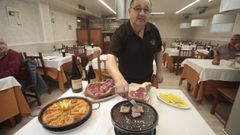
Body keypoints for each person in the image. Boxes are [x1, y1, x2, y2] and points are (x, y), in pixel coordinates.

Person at [106, 0, 163, 95]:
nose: (142, 13)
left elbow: (158, 51)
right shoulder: (120, 32)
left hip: (147, 79)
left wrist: (159, 71)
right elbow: (110, 58)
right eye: (137, 9)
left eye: (146, 10)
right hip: (126, 81)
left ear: (149, 13)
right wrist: (119, 79)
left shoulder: (154, 30)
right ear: (129, 11)